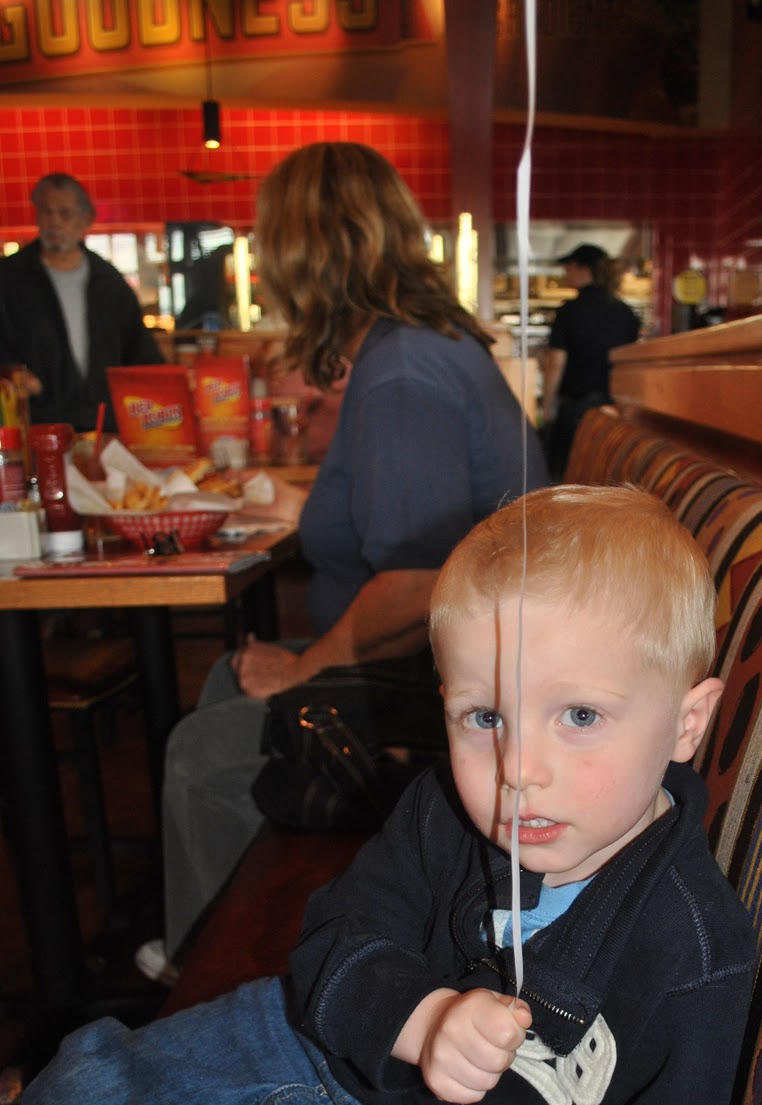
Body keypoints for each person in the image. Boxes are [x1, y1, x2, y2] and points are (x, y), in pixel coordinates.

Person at [0, 483, 757, 1105]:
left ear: (685, 722)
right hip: (302, 1037)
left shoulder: (693, 948)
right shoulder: (443, 809)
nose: (519, 771)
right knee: (82, 1085)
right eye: (485, 718)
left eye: (580, 717)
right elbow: (336, 937)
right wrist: (422, 1018)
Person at [136, 142, 548, 985]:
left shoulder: (401, 375)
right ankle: (219, 944)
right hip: (455, 667)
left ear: (302, 253)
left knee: (202, 752)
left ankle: (227, 983)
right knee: (223, 684)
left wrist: (305, 668)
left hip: (466, 690)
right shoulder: (414, 350)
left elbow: (420, 586)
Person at [0, 173, 163, 433]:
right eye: (46, 212)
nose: (54, 222)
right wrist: (13, 375)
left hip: (104, 426)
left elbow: (142, 355)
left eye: (64, 214)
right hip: (39, 428)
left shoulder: (109, 282)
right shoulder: (9, 278)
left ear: (85, 220)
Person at [541, 243, 641, 480]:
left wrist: (547, 407)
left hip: (576, 412)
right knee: (605, 475)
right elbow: (631, 366)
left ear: (583, 268)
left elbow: (556, 362)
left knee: (567, 477)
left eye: (569, 267)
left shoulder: (569, 311)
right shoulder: (626, 313)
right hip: (615, 412)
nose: (566, 273)